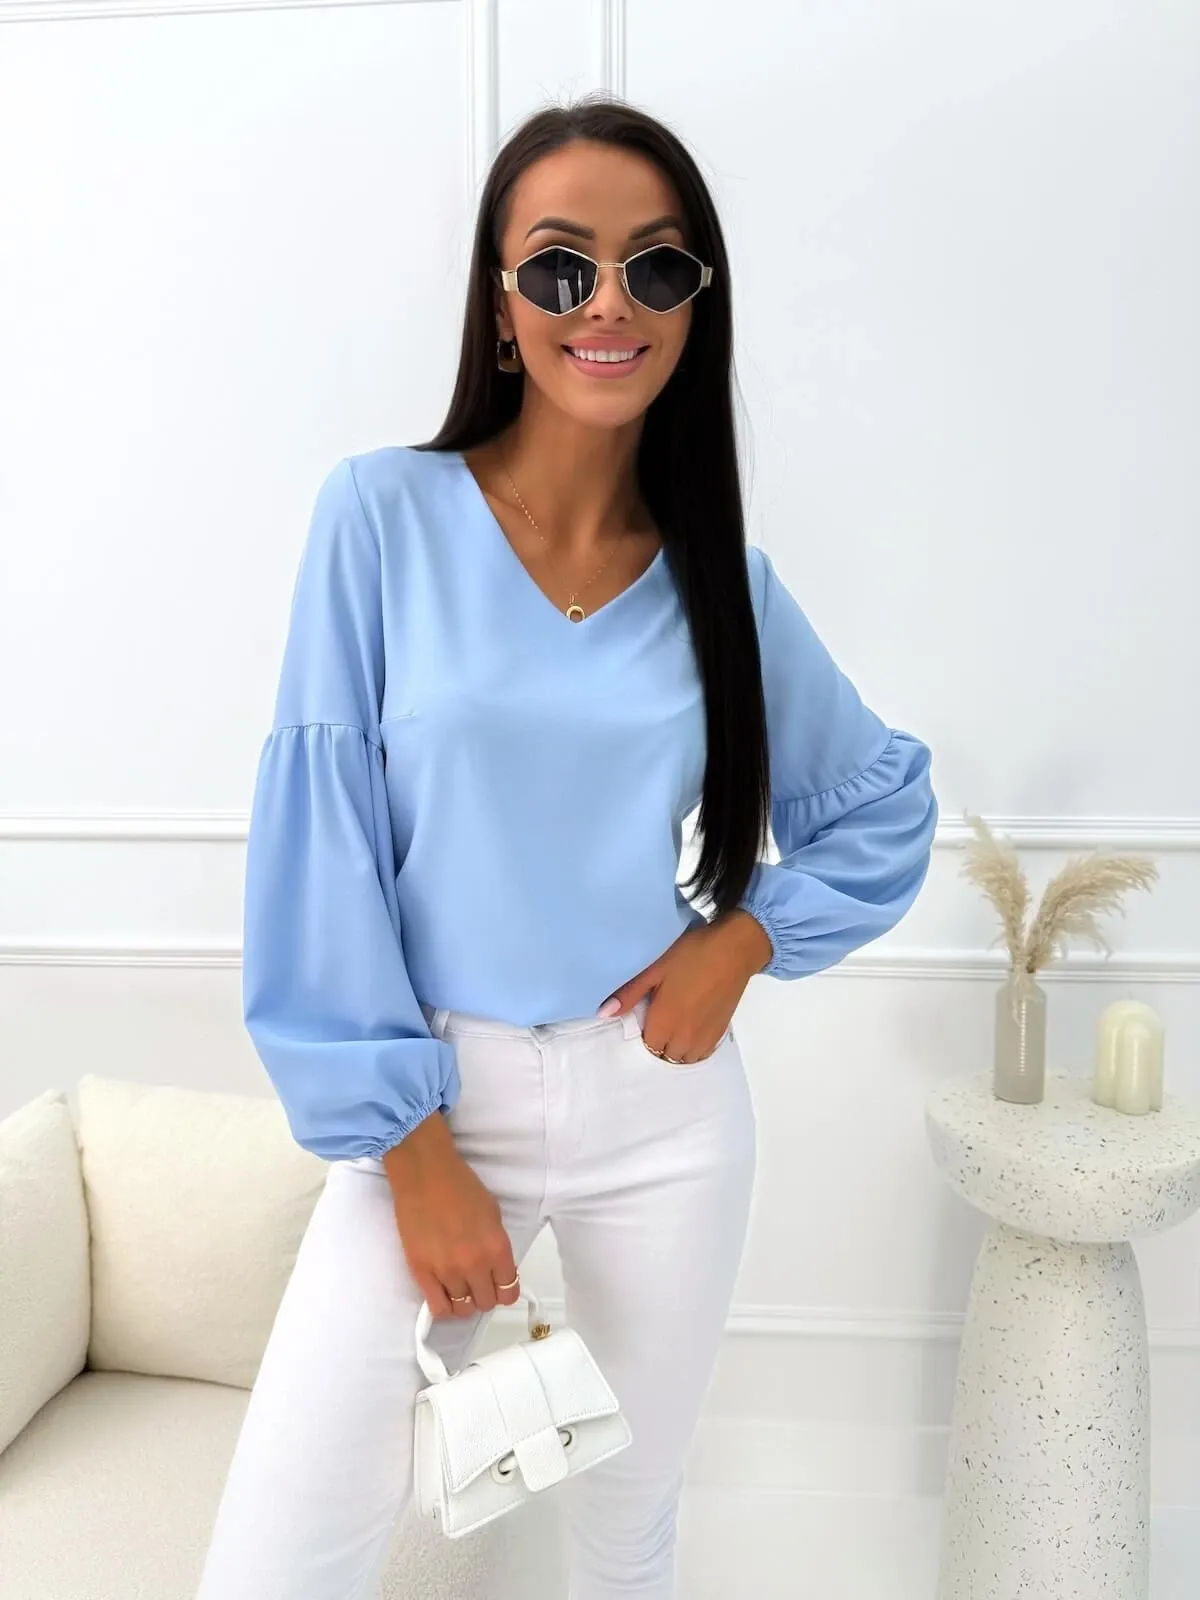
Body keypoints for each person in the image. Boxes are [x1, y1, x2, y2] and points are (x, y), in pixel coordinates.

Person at [195, 95, 938, 1600]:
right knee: (282, 1551)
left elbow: (884, 805)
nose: (607, 303)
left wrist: (744, 939)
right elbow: (321, 845)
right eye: (559, 266)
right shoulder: (380, 517)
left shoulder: (724, 584)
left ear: (693, 306)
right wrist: (414, 1154)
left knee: (624, 1534)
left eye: (654, 267)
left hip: (660, 1114)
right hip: (433, 1101)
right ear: (502, 306)